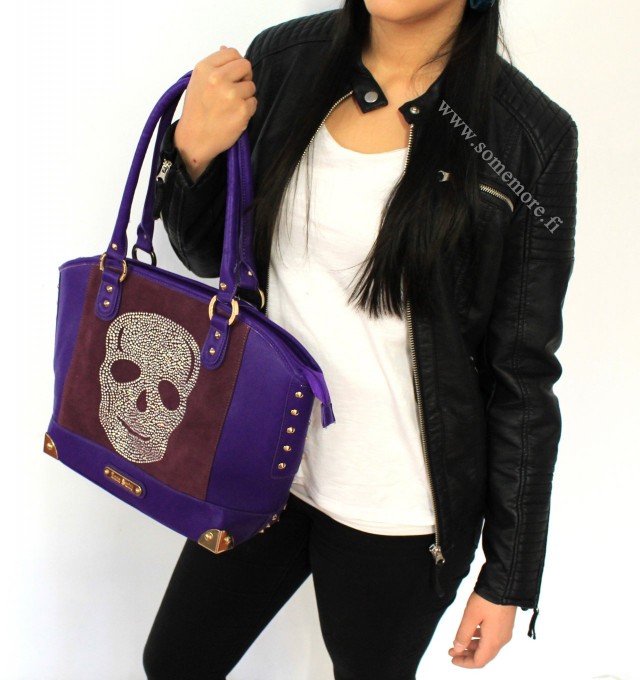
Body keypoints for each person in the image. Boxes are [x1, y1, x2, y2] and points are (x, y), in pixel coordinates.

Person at [142, 1, 578, 678]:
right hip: (262, 462)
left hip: (397, 509)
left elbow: (522, 373)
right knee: (174, 662)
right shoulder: (285, 60)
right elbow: (208, 256)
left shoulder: (529, 135)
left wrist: (507, 579)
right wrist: (192, 150)